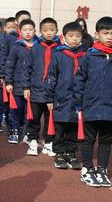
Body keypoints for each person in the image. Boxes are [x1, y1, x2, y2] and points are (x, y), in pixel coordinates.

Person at [74, 16, 112, 187]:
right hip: (91, 106)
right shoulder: (89, 56)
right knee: (89, 140)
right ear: (97, 34)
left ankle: (101, 169)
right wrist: (78, 103)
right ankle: (87, 169)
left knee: (106, 140)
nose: (109, 36)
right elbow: (79, 80)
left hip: (109, 108)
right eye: (106, 33)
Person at [44, 22, 85, 170]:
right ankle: (59, 153)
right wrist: (49, 98)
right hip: (61, 98)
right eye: (71, 36)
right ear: (64, 37)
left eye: (78, 36)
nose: (74, 39)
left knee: (74, 127)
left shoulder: (85, 56)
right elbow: (51, 77)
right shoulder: (59, 55)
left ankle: (71, 152)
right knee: (60, 127)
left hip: (78, 99)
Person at [23, 18, 61, 156]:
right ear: (40, 31)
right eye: (45, 30)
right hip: (36, 89)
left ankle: (48, 142)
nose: (49, 33)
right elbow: (26, 68)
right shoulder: (35, 48)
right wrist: (26, 86)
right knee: (34, 118)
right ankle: (33, 141)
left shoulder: (60, 49)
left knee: (50, 118)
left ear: (57, 30)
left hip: (53, 91)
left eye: (51, 30)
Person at [5, 19, 37, 144]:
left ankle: (26, 132)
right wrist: (8, 82)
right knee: (15, 110)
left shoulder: (38, 47)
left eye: (30, 30)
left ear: (35, 31)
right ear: (20, 32)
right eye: (25, 30)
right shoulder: (16, 48)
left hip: (32, 87)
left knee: (28, 112)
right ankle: (14, 131)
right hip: (17, 85)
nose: (28, 32)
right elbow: (9, 66)